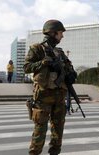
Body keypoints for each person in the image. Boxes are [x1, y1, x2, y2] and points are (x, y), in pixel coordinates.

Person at [24, 19, 70, 155]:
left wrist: (71, 73)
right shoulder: (37, 48)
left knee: (58, 131)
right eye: (61, 33)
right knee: (40, 131)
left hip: (59, 96)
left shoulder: (60, 52)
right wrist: (43, 63)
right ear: (53, 32)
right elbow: (26, 67)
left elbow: (69, 68)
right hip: (43, 96)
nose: (62, 36)